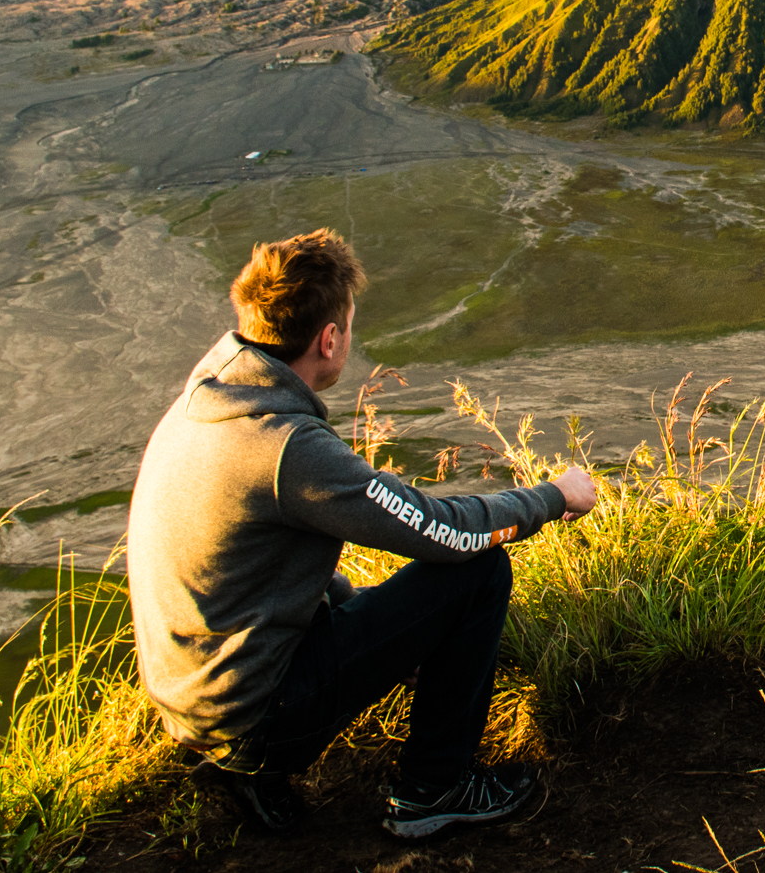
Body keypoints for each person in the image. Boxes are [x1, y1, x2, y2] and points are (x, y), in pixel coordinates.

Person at [127, 228, 597, 839]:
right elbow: (443, 532)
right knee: (479, 571)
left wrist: (393, 634)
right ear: (329, 339)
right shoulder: (285, 447)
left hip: (195, 699)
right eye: (349, 325)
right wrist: (553, 497)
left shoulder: (211, 393)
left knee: (381, 601)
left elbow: (267, 569)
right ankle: (434, 790)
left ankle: (250, 772)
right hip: (253, 717)